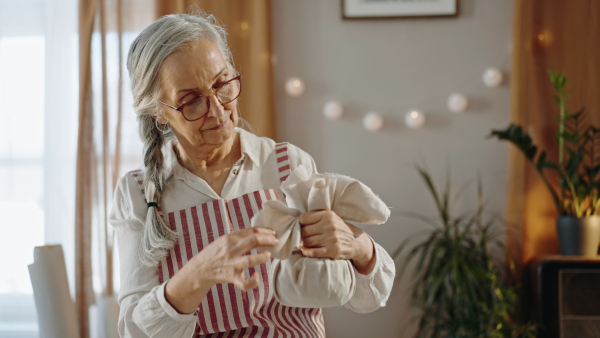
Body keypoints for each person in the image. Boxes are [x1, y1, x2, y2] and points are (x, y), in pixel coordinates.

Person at [110, 12, 395, 338]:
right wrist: (199, 272)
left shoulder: (287, 166)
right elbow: (135, 330)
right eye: (191, 101)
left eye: (222, 84)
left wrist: (358, 247)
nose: (217, 110)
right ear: (158, 112)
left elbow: (370, 297)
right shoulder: (137, 193)